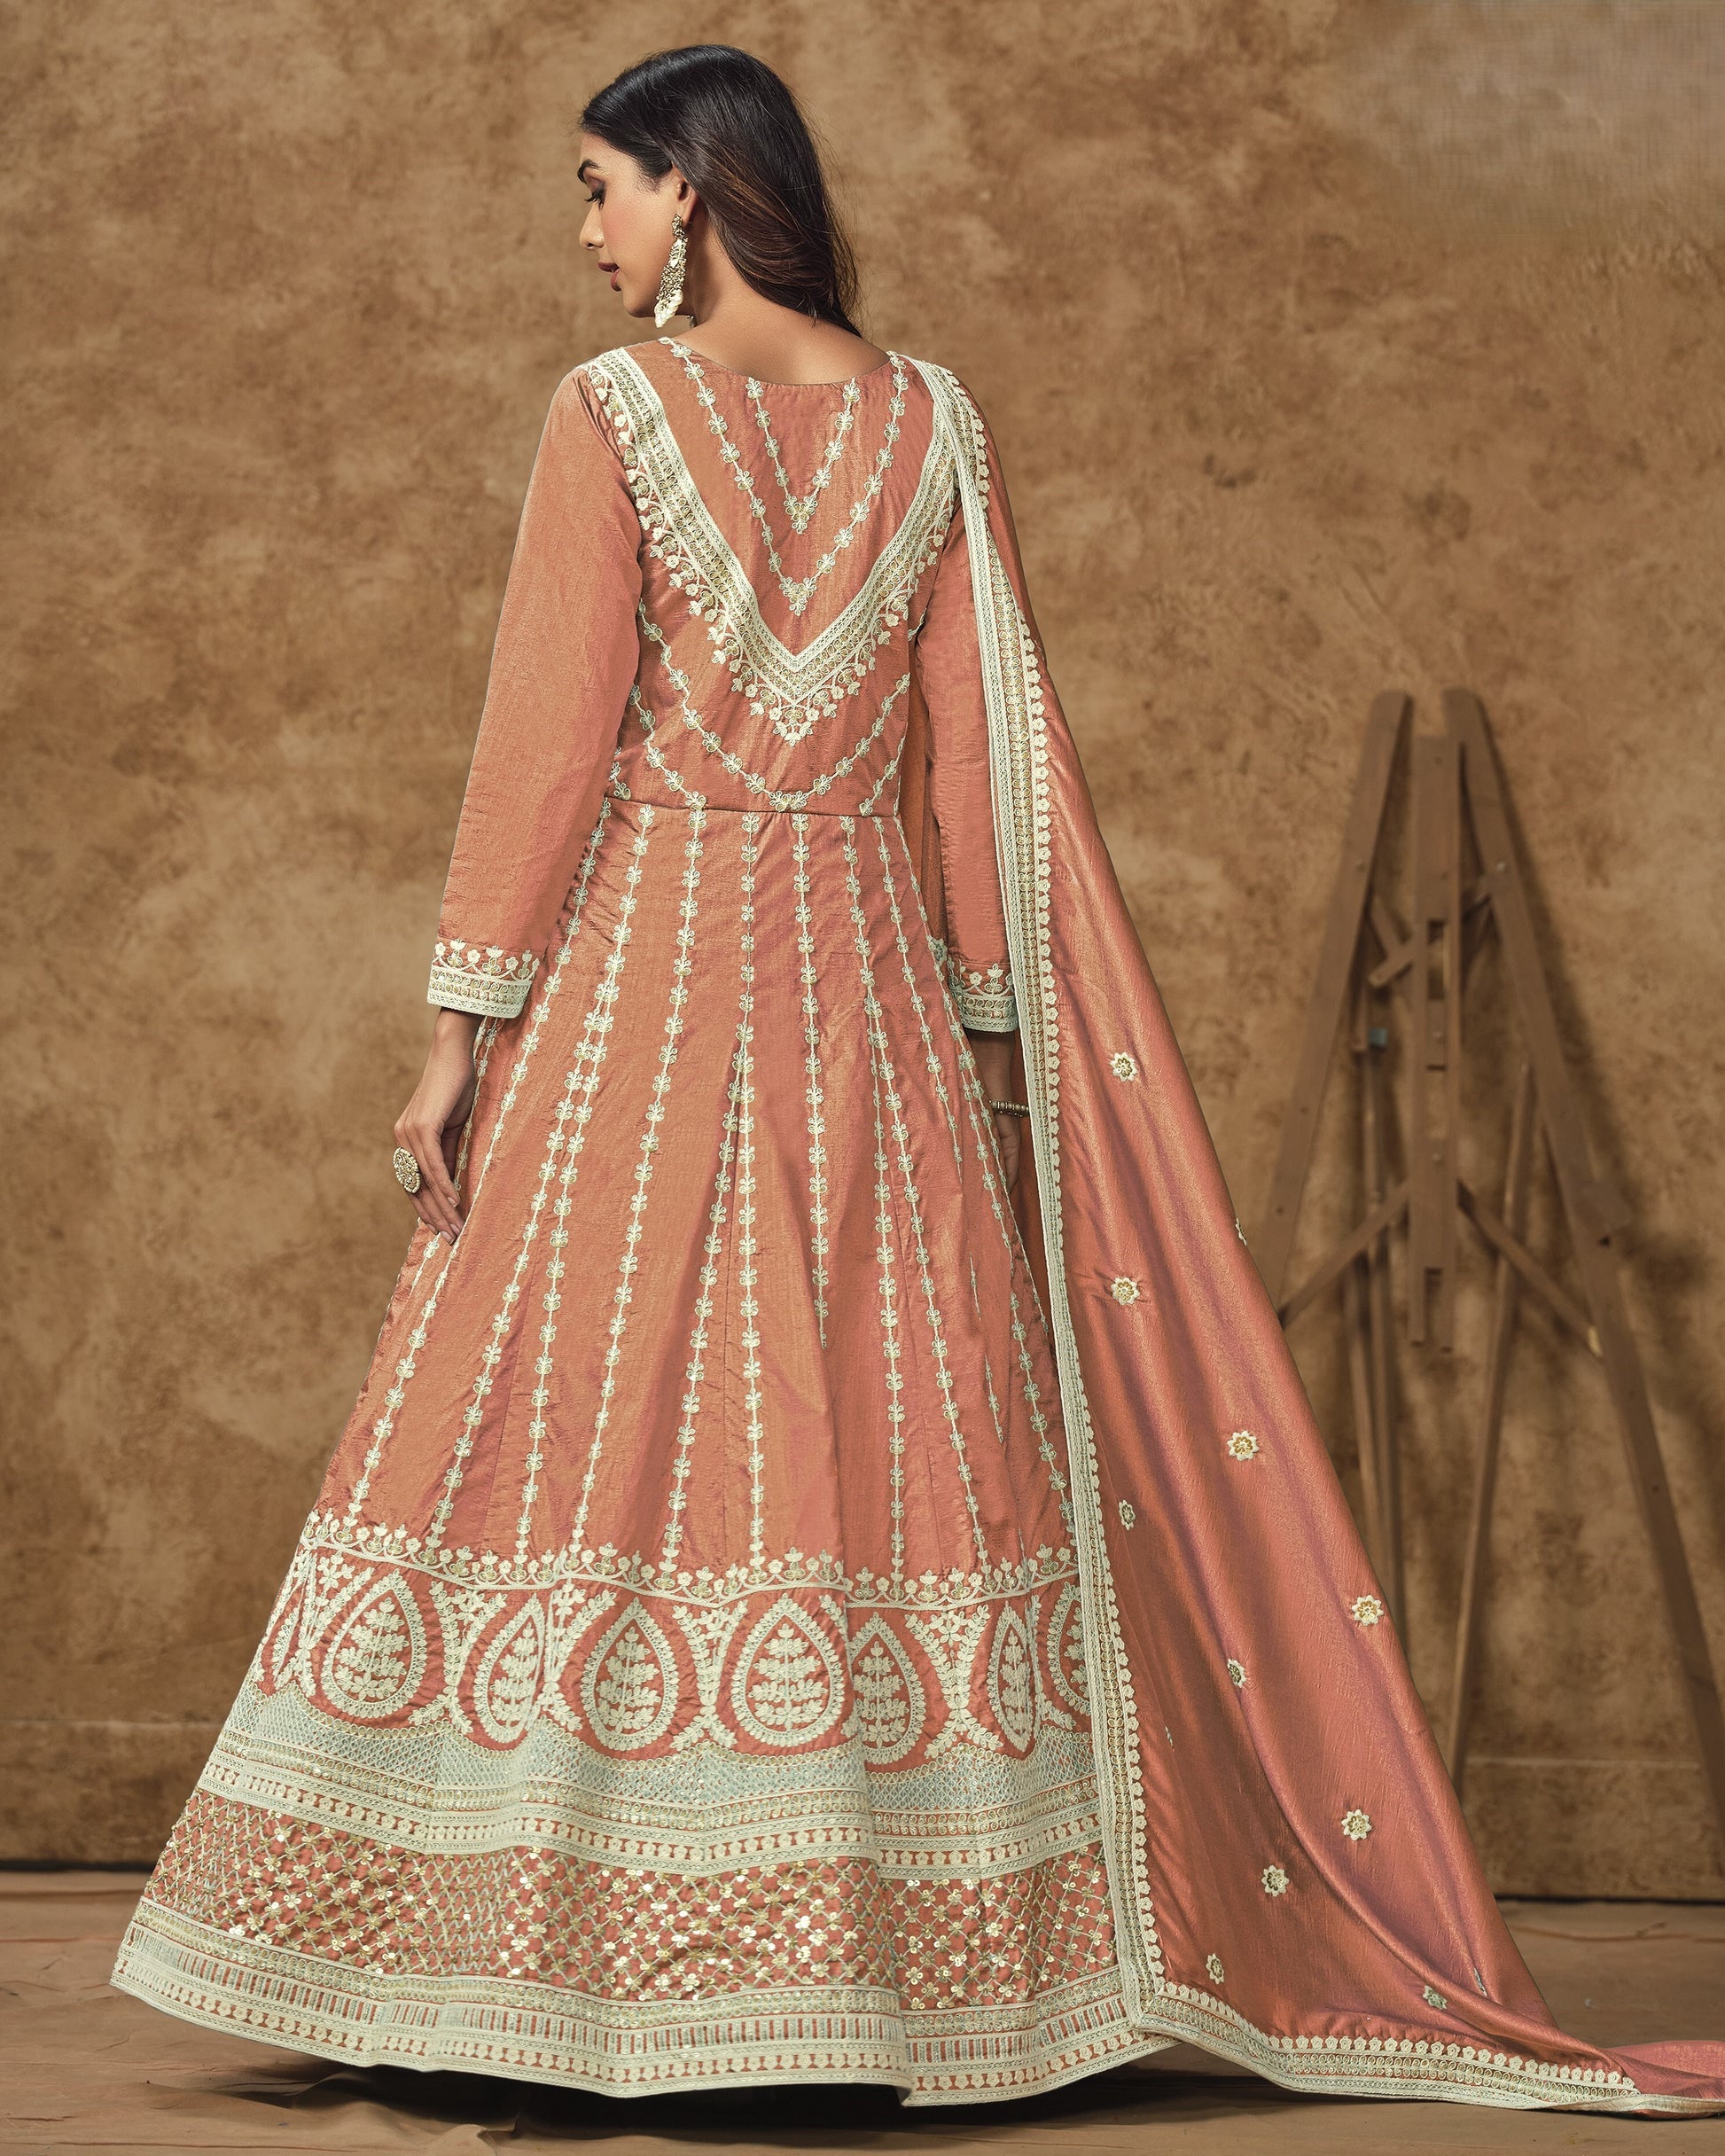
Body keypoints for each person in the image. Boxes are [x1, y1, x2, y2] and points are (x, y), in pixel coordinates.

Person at [111, 43, 1724, 2115]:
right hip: (866, 992)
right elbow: (974, 780)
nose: (587, 233)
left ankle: (532, 1951)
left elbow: (543, 740)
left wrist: (458, 1035)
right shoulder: (931, 422)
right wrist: (991, 1041)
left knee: (597, 1409)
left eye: (600, 188)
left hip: (648, 978)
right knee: (870, 1410)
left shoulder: (611, 417)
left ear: (692, 192)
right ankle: (901, 1964)